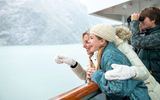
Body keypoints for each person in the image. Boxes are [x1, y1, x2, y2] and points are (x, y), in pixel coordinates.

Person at [88, 24, 150, 99]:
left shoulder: (110, 55)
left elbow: (118, 89)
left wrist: (96, 75)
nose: (88, 41)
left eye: (91, 38)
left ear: (102, 41)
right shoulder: (105, 53)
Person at [105, 26, 160, 100]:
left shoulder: (121, 48)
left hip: (149, 84)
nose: (140, 24)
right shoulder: (123, 47)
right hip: (150, 82)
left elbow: (136, 42)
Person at [130, 7, 160, 83]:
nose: (141, 21)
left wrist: (134, 23)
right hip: (148, 79)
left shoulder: (158, 36)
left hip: (156, 80)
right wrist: (139, 28)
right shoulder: (148, 34)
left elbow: (135, 42)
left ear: (153, 19)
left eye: (143, 18)